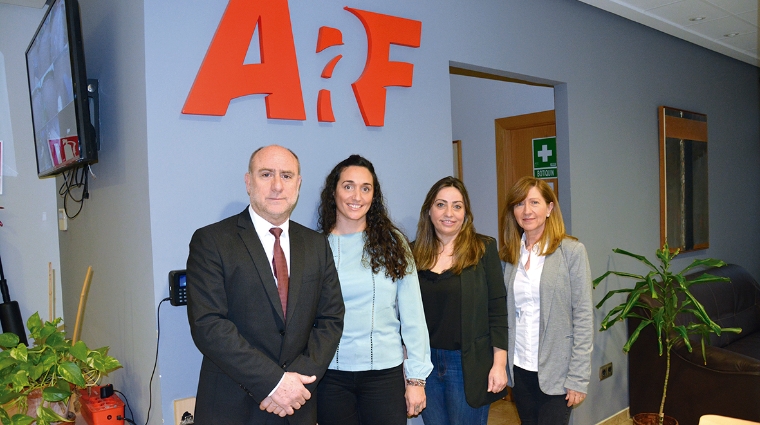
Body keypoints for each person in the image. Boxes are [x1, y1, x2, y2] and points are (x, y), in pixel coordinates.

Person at [186, 145, 345, 424]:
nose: (276, 186)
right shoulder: (212, 241)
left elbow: (331, 319)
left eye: (286, 176)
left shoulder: (316, 245)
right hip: (232, 404)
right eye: (266, 174)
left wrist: (296, 385)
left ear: (298, 183)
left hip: (298, 403)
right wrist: (274, 383)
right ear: (248, 182)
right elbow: (208, 324)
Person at [315, 155, 432, 425]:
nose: (357, 195)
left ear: (373, 195)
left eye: (365, 188)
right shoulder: (316, 247)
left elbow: (413, 315)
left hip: (384, 375)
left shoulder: (394, 243)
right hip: (331, 376)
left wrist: (416, 378)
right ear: (334, 192)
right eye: (348, 186)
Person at [412, 176, 509, 425]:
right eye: (441, 204)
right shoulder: (412, 253)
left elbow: (497, 309)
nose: (449, 213)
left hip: (467, 364)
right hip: (426, 364)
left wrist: (499, 364)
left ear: (466, 213)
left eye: (457, 206)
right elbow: (404, 315)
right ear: (429, 211)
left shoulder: (483, 249)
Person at [500, 176, 593, 425]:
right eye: (519, 204)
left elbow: (583, 317)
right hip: (520, 367)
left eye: (534, 202)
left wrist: (578, 377)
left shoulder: (571, 252)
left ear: (550, 208)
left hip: (559, 371)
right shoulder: (509, 255)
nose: (527, 211)